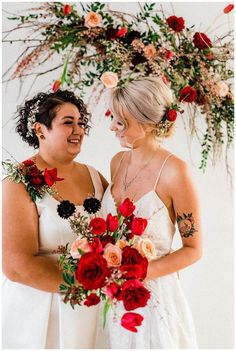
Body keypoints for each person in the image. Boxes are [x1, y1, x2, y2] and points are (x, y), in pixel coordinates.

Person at [95, 76, 202, 348]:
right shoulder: (117, 162)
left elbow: (193, 249)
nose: (113, 127)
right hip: (111, 297)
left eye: (121, 121)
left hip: (153, 301)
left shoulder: (175, 172)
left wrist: (138, 274)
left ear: (144, 122)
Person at [2, 90, 108, 349]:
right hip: (41, 312)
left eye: (81, 123)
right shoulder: (19, 182)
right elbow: (16, 265)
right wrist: (84, 285)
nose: (79, 130)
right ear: (40, 130)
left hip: (93, 309)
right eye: (68, 122)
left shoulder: (96, 177)